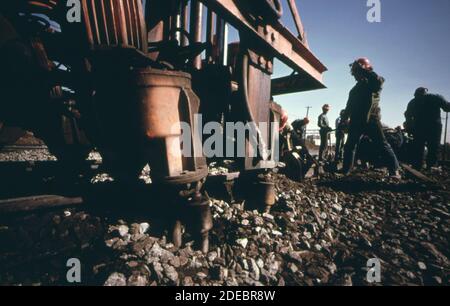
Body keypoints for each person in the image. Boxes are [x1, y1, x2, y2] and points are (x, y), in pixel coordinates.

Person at [341, 58, 400, 178]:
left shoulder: (373, 83)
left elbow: (379, 82)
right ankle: (346, 170)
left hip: (371, 120)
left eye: (357, 72)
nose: (355, 76)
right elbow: (349, 106)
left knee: (382, 144)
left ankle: (394, 171)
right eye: (354, 73)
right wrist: (344, 119)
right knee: (350, 146)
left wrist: (364, 70)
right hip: (356, 121)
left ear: (365, 70)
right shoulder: (354, 90)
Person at [404, 87, 450, 170]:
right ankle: (430, 166)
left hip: (421, 127)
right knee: (433, 147)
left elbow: (408, 116)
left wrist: (409, 127)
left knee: (420, 146)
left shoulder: (413, 102)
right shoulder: (435, 98)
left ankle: (418, 166)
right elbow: (447, 107)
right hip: (433, 127)